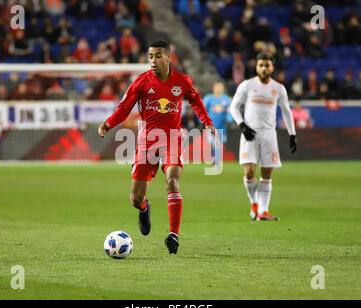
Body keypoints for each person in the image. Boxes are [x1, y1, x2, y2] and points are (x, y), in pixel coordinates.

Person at [97, 40, 216, 254]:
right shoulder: (141, 82)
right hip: (147, 141)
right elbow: (124, 108)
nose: (153, 60)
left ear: (169, 58)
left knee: (172, 181)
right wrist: (108, 122)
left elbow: (196, 101)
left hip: (172, 138)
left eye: (158, 56)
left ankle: (174, 235)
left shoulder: (182, 81)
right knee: (136, 198)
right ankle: (144, 208)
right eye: (150, 56)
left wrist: (206, 122)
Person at [229, 52, 297, 221]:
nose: (264, 68)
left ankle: (264, 211)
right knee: (250, 172)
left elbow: (287, 112)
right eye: (261, 65)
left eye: (267, 65)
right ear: (256, 67)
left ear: (272, 67)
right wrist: (242, 125)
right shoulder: (247, 85)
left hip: (269, 134)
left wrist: (292, 134)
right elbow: (234, 107)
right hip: (249, 133)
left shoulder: (279, 88)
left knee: (267, 173)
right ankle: (254, 203)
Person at [202, 82, 233, 164]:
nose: (219, 89)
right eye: (217, 87)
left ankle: (215, 159)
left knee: (218, 143)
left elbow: (230, 111)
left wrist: (230, 119)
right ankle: (216, 159)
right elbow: (203, 109)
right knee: (213, 143)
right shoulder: (208, 98)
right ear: (214, 88)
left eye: (221, 87)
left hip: (222, 126)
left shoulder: (226, 99)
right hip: (210, 125)